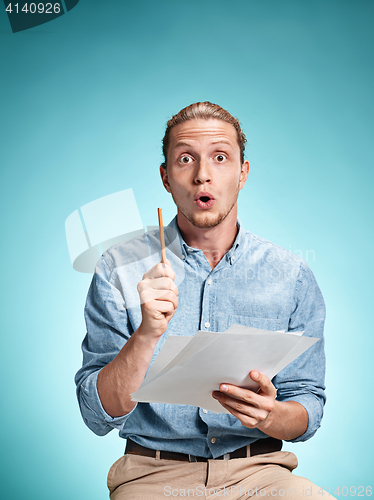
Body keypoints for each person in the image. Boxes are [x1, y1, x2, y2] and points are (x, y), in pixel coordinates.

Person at [75, 102, 329, 499]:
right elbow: (96, 414)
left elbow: (307, 406)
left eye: (220, 157)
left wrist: (272, 415)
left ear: (243, 173)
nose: (203, 175)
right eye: (185, 159)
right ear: (166, 177)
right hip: (151, 476)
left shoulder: (291, 275)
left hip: (259, 474)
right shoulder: (118, 269)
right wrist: (146, 333)